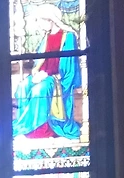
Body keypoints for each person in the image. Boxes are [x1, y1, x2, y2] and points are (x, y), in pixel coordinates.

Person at [14, 4, 82, 140]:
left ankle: (41, 128)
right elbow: (40, 62)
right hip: (43, 75)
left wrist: (47, 75)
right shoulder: (46, 37)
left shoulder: (68, 37)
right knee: (22, 86)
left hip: (58, 78)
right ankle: (26, 126)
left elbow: (68, 66)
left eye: (40, 20)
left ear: (50, 20)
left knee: (39, 90)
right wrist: (36, 73)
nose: (39, 25)